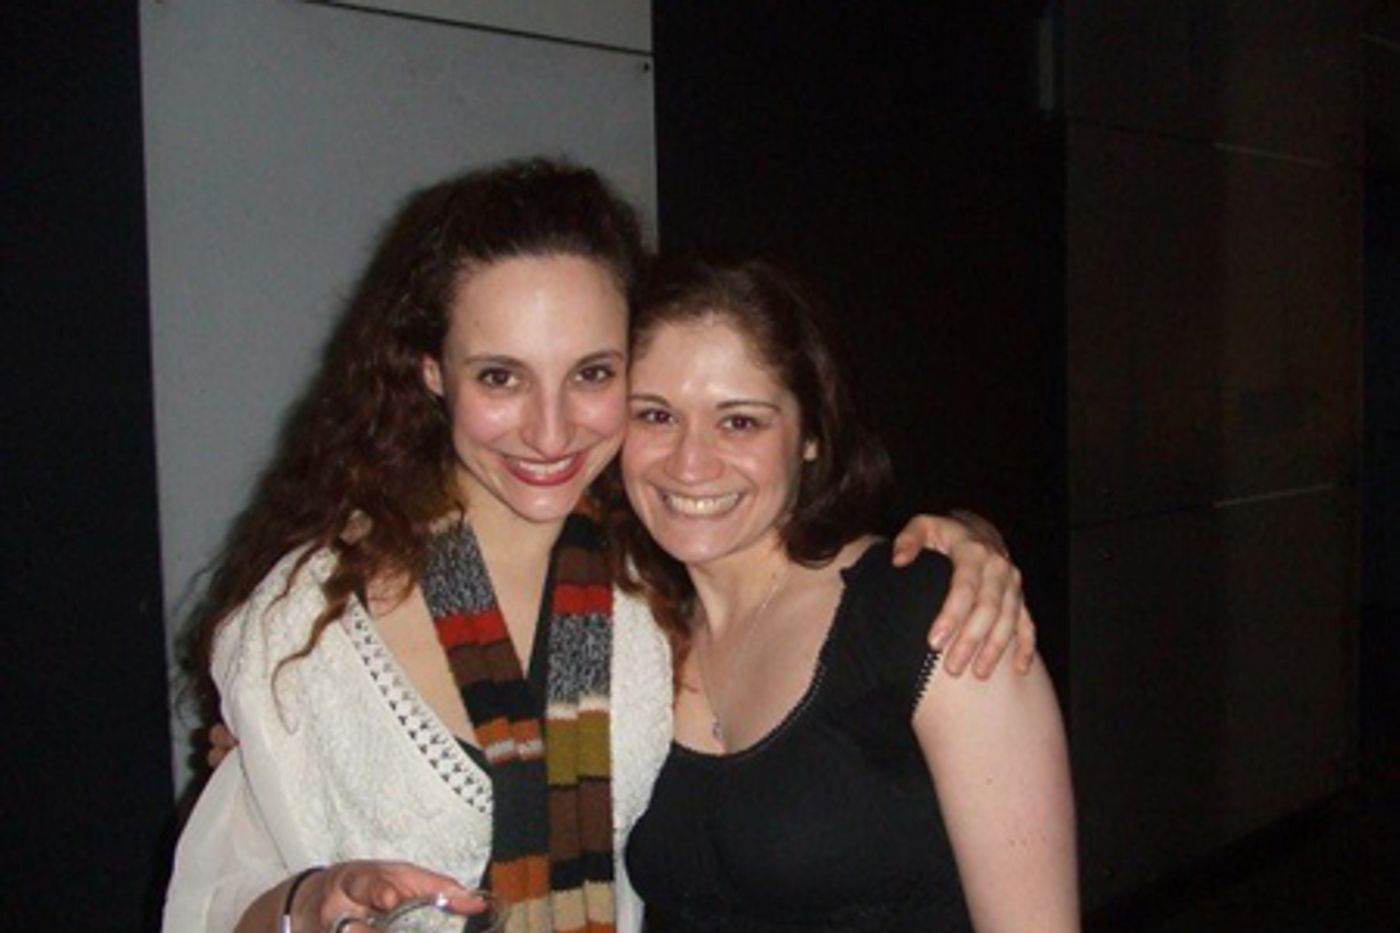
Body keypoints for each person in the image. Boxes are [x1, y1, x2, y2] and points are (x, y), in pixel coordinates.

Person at [162, 159, 1034, 933]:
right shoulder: (309, 624)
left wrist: (968, 541)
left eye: (591, 373)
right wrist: (309, 902)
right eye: (500, 376)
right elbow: (215, 895)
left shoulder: (651, 582)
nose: (549, 431)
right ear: (431, 373)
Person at [613, 256, 1078, 931]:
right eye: (656, 415)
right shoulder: (637, 632)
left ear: (810, 435)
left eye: (739, 422)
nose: (690, 462)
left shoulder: (935, 615)